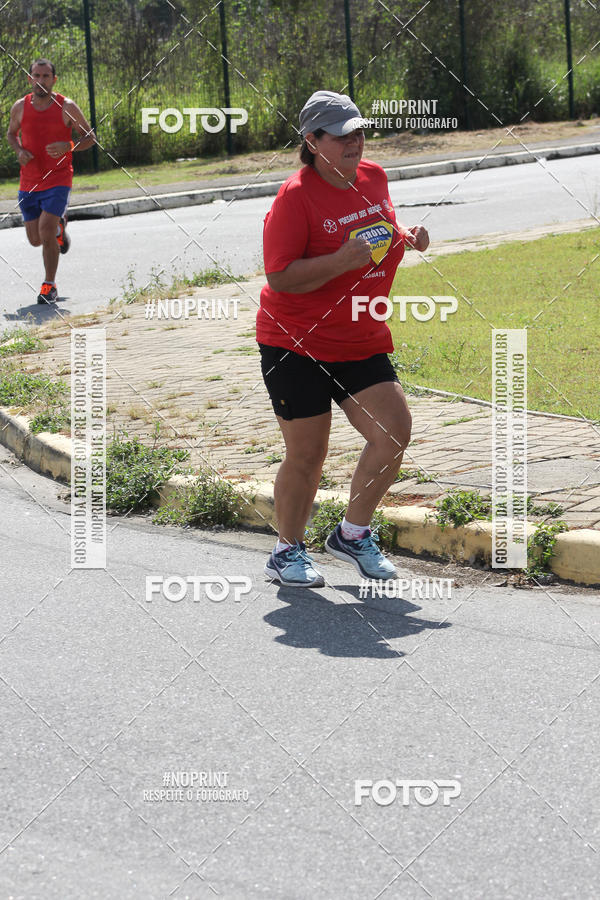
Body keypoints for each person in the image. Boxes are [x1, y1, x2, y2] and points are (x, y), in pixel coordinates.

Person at [257, 90, 429, 588]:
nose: (355, 142)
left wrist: (407, 235)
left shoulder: (374, 176)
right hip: (295, 343)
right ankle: (286, 550)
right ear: (312, 141)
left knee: (393, 431)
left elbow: (381, 230)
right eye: (341, 135)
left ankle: (352, 535)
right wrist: (342, 260)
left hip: (359, 334)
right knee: (308, 453)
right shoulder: (295, 197)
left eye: (358, 131)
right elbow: (281, 277)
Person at [6, 58, 96, 305]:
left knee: (45, 230)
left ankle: (49, 285)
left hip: (58, 179)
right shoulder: (20, 107)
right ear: (29, 79)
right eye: (36, 75)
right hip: (29, 182)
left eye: (46, 76)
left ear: (54, 80)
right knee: (36, 239)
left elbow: (90, 138)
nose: (41, 81)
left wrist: (68, 145)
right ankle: (59, 229)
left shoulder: (66, 106)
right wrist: (19, 151)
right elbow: (11, 134)